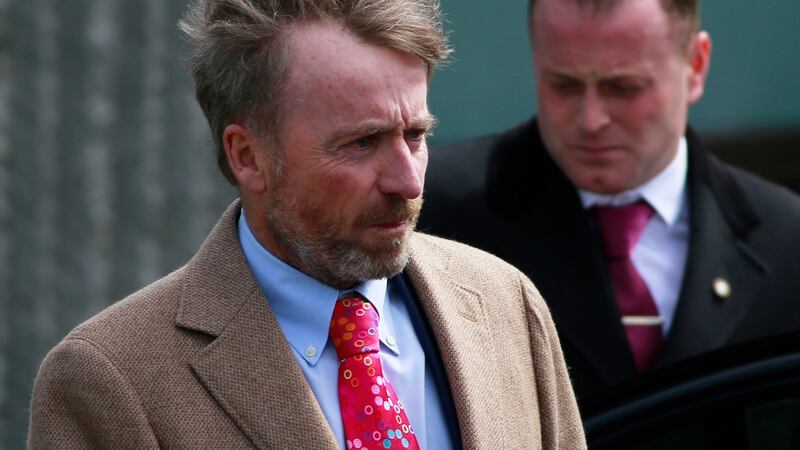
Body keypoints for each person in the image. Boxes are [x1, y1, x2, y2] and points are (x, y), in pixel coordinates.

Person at [27, 0, 585, 448]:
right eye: (362, 143)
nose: (408, 181)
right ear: (247, 156)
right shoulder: (110, 381)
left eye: (416, 136)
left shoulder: (506, 304)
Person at [420, 0, 800, 405]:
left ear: (696, 65)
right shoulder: (432, 212)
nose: (591, 120)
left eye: (624, 87)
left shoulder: (785, 241)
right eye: (563, 85)